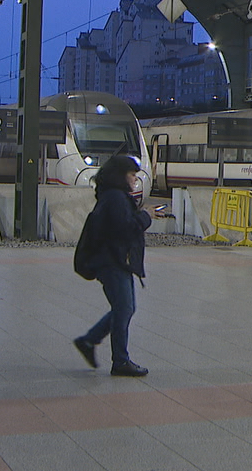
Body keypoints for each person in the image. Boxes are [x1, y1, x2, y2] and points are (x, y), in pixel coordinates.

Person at [73, 155, 155, 377]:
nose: (134, 180)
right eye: (132, 175)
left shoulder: (111, 196)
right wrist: (145, 217)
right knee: (125, 308)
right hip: (113, 262)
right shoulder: (116, 198)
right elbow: (124, 229)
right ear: (121, 175)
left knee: (124, 308)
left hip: (112, 260)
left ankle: (89, 341)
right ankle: (120, 360)